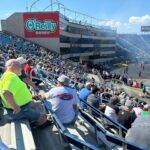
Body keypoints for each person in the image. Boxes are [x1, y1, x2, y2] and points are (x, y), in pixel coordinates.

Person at [0, 59, 47, 126]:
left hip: (22, 106)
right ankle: (35, 125)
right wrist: (15, 107)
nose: (21, 68)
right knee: (44, 117)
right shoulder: (11, 77)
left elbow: (15, 92)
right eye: (20, 67)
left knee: (37, 104)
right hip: (21, 109)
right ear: (13, 66)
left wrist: (31, 97)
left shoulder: (7, 75)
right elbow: (6, 93)